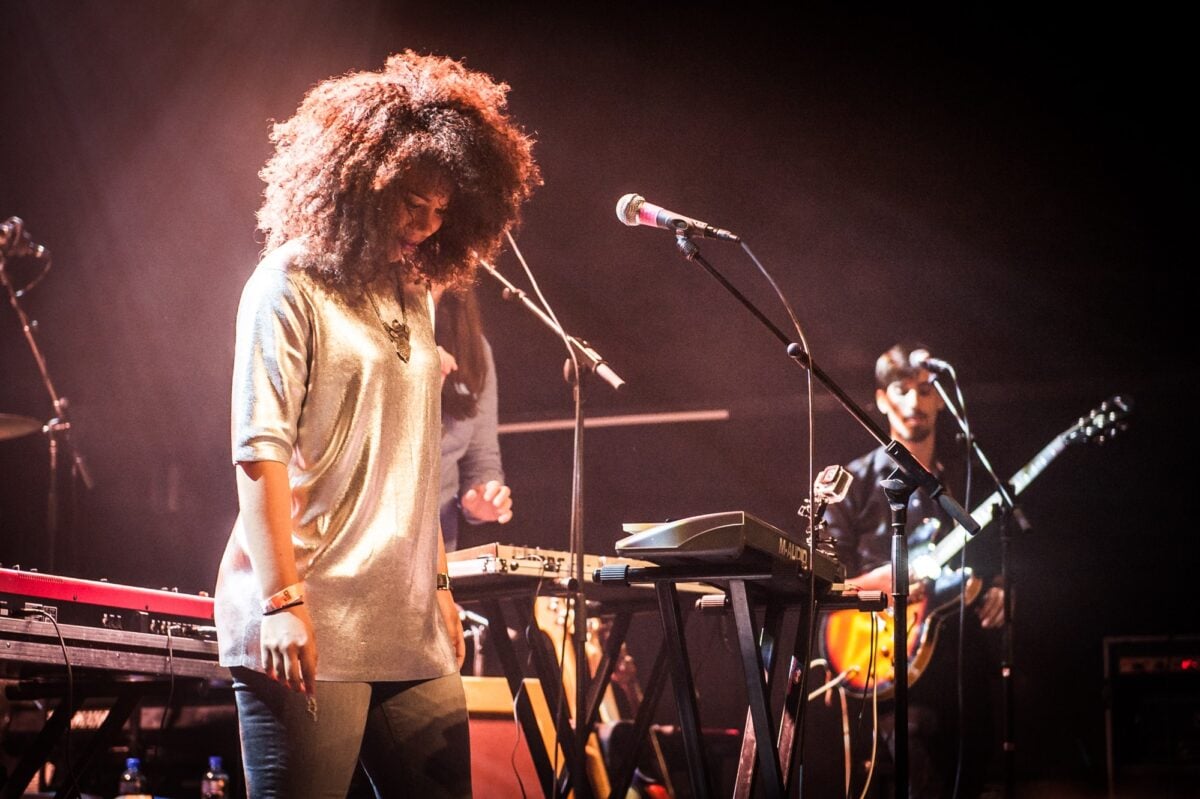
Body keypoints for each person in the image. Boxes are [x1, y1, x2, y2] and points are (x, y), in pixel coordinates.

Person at [214, 51, 539, 798]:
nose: (426, 225)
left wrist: (439, 586)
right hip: (309, 610)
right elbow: (258, 453)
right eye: (411, 202)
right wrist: (281, 602)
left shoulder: (416, 291)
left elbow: (414, 462)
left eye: (441, 210)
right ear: (359, 183)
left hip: (408, 620)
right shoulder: (287, 283)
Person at [822, 343, 1004, 799]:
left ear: (941, 400)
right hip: (882, 664)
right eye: (902, 390)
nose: (914, 401)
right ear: (882, 400)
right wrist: (879, 583)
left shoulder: (966, 481)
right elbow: (820, 585)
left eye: (925, 390)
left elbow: (992, 561)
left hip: (961, 663)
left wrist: (1000, 589)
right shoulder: (853, 483)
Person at [435, 285, 514, 552]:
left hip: (440, 547)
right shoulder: (365, 341)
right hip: (367, 550)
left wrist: (482, 493)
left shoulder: (474, 348)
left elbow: (480, 455)